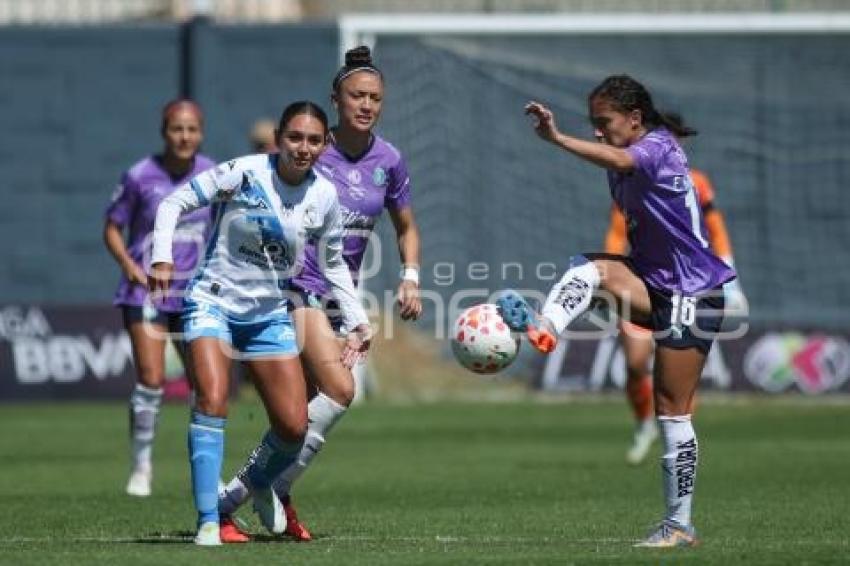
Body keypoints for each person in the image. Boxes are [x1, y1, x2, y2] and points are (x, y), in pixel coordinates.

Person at [497, 75, 736, 548]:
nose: (598, 132)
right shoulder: (627, 156)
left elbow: (623, 158)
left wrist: (558, 138)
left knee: (672, 410)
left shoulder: (658, 148)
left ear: (634, 119)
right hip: (657, 284)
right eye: (593, 125)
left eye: (603, 124)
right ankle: (545, 328)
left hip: (694, 290)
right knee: (589, 269)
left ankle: (679, 525)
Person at [217, 45, 422, 542]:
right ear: (336, 99)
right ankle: (262, 487)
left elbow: (407, 226)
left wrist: (411, 275)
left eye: (375, 97)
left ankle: (238, 499)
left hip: (338, 296)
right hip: (291, 291)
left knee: (302, 417)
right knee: (342, 390)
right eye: (357, 95)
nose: (367, 104)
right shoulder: (309, 147)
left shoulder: (389, 161)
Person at [148, 100, 372, 546]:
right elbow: (175, 202)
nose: (302, 148)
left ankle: (261, 486)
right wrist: (161, 257)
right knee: (212, 397)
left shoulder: (324, 196)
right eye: (294, 138)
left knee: (293, 427)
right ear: (279, 140)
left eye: (312, 140)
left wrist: (357, 320)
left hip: (269, 313)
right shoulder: (245, 172)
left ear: (324, 144)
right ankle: (209, 519)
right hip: (211, 302)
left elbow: (333, 266)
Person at [602, 112, 747, 465]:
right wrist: (608, 279)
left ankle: (678, 442)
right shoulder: (633, 177)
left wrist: (734, 282)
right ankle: (642, 427)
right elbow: (617, 234)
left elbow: (716, 228)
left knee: (677, 382)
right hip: (645, 283)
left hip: (689, 288)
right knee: (636, 364)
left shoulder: (695, 182)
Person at [103, 99, 214, 498]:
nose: (184, 137)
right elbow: (112, 227)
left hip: (195, 293)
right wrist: (130, 266)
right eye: (176, 129)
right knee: (152, 379)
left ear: (201, 133)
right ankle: (141, 465)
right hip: (146, 289)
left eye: (192, 129)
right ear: (164, 132)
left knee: (205, 385)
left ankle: (205, 469)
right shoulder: (139, 176)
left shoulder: (211, 175)